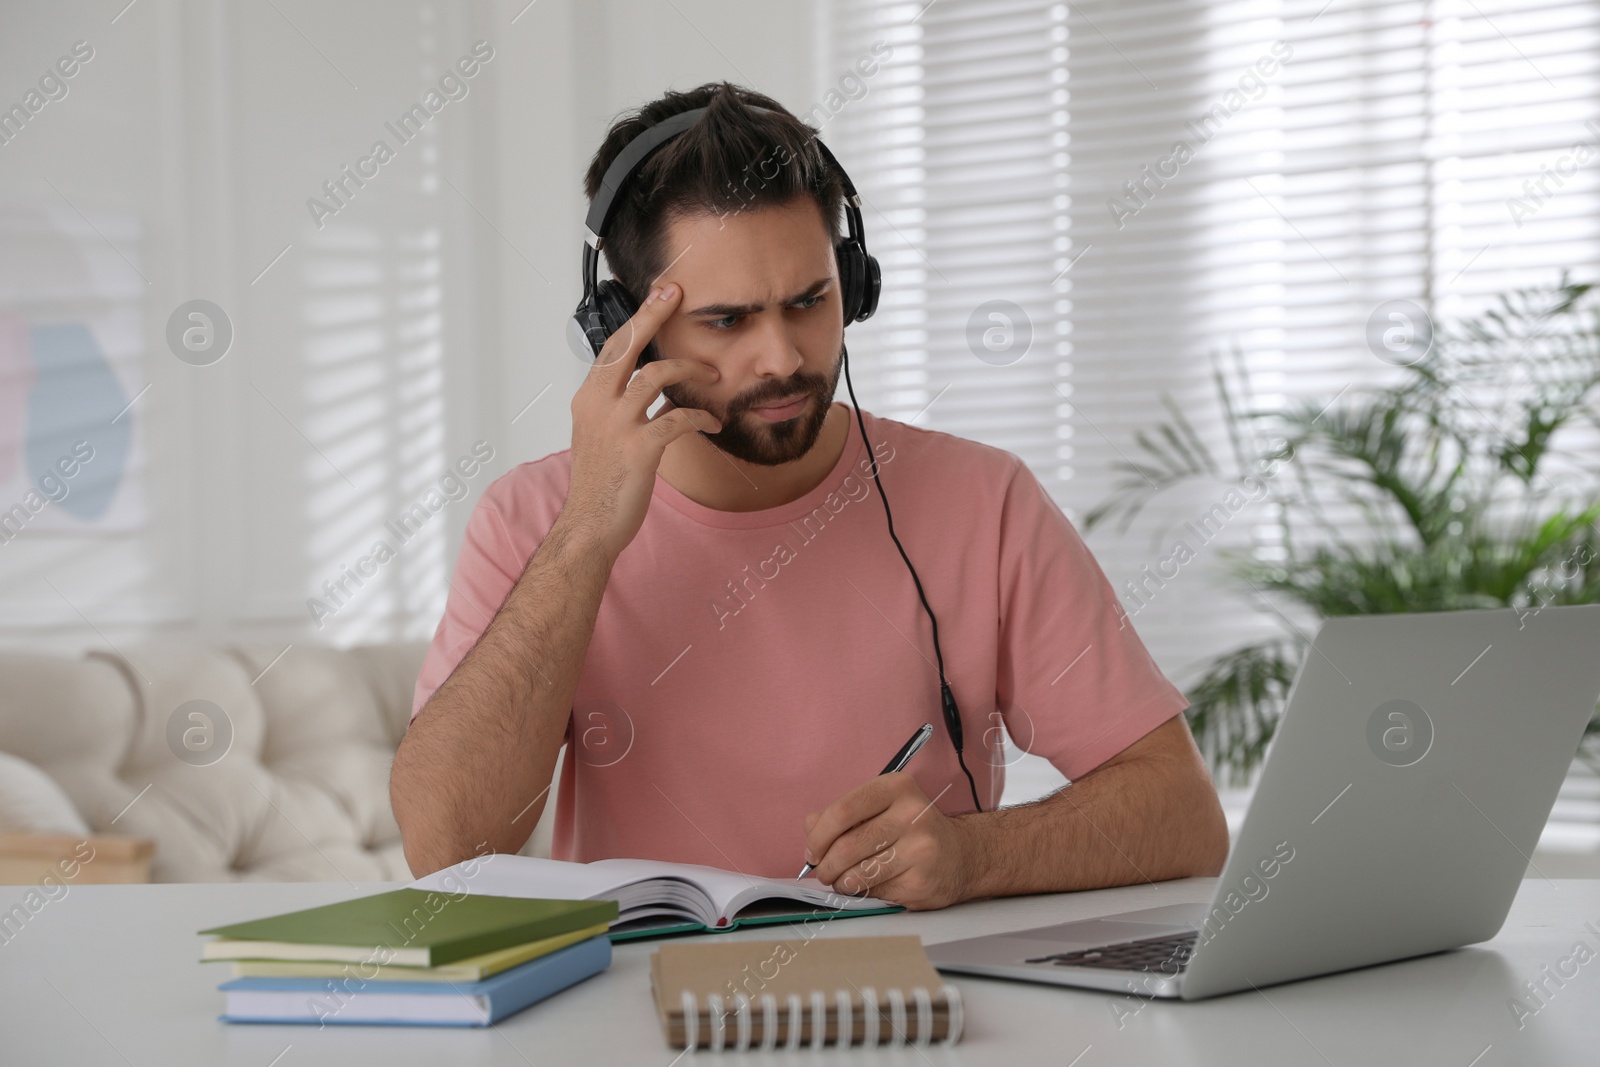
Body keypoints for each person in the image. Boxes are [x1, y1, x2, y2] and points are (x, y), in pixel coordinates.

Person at [390, 81, 1228, 909]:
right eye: (728, 321)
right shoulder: (532, 520)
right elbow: (446, 848)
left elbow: (1184, 817)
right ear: (626, 330)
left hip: (915, 1011)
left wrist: (975, 855)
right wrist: (584, 537)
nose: (784, 357)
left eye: (809, 301)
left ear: (853, 284)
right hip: (633, 1014)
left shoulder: (985, 500)